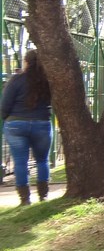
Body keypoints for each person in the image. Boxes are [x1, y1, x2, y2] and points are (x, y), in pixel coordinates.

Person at [1, 50, 53, 205]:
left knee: (20, 162)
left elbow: (5, 105)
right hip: (42, 123)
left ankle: (25, 199)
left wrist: (7, 118)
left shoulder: (16, 80)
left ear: (26, 62)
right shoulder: (47, 81)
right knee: (42, 160)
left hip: (16, 124)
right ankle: (43, 196)